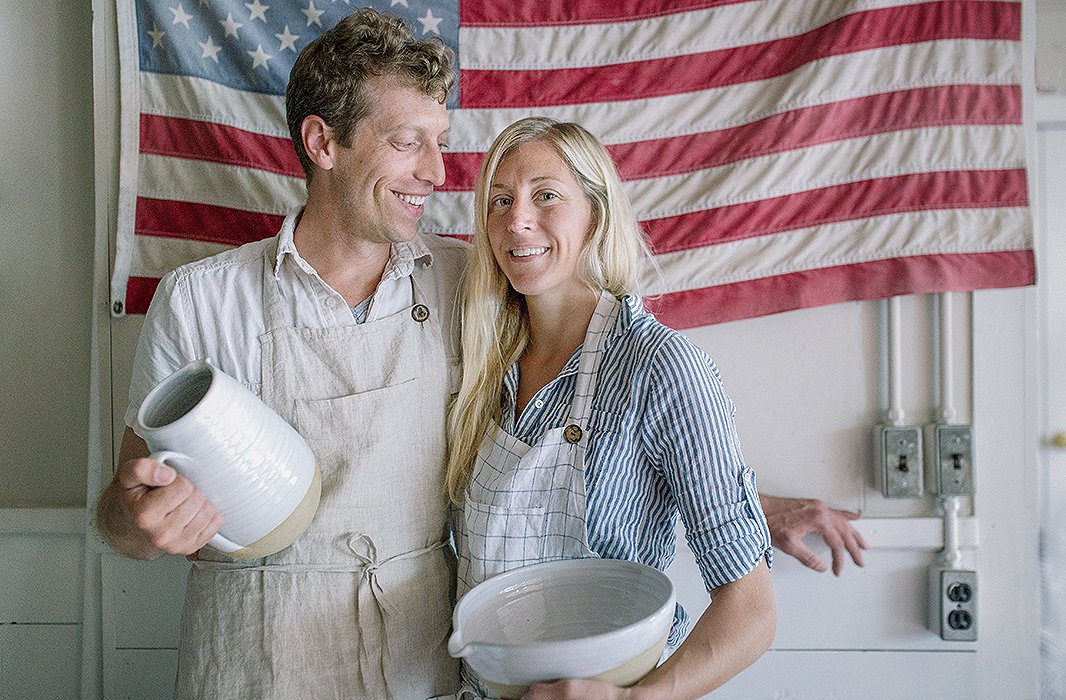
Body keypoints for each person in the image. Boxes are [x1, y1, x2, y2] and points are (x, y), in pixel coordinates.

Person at [94, 9, 465, 698]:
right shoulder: (200, 300)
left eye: (440, 143)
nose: (437, 172)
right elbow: (120, 515)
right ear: (323, 142)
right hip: (253, 668)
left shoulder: (462, 284)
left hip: (419, 669)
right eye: (410, 142)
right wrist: (143, 521)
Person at [447, 117, 776, 699]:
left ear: (595, 214)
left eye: (545, 196)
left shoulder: (662, 368)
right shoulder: (480, 367)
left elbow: (750, 611)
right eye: (500, 201)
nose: (516, 221)